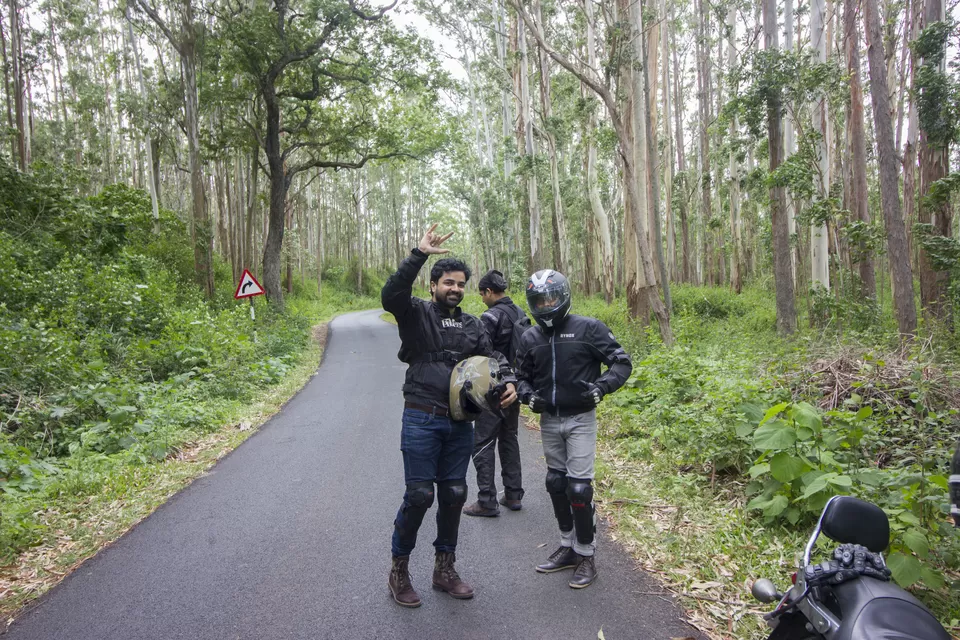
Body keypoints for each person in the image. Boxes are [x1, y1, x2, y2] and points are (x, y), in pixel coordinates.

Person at [381, 224, 518, 608]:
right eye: (448, 283)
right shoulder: (415, 314)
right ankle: (399, 570)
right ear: (433, 285)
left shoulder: (474, 324)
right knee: (420, 495)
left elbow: (494, 358)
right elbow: (390, 293)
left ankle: (445, 568)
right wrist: (418, 254)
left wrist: (508, 381)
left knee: (455, 494)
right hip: (422, 417)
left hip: (460, 421)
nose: (454, 289)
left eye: (460, 284)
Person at [515, 269, 632, 589]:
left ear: (564, 296)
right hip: (550, 419)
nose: (546, 304)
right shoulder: (530, 337)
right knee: (556, 483)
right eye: (539, 300)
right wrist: (528, 397)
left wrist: (602, 388)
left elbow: (621, 362)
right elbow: (521, 377)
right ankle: (567, 547)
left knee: (579, 489)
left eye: (551, 297)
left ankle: (586, 555)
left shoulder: (588, 329)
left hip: (581, 418)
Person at [462, 270, 529, 518]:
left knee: (482, 442)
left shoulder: (490, 316)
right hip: (516, 386)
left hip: (493, 386)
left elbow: (480, 351)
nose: (481, 299)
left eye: (482, 294)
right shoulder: (520, 313)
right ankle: (513, 495)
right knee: (509, 438)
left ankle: (486, 500)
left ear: (490, 292)